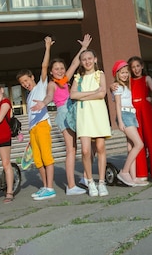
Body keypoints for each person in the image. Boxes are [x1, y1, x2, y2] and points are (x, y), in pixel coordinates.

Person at [31, 34, 91, 196]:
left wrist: (83, 47)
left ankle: (86, 177)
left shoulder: (65, 80)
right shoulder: (52, 84)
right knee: (71, 150)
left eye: (61, 68)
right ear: (51, 72)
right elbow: (50, 95)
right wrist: (43, 103)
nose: (60, 71)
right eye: (56, 69)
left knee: (82, 146)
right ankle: (71, 186)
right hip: (64, 114)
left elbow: (74, 63)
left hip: (74, 111)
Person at [16, 36, 56, 201]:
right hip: (33, 128)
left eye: (26, 80)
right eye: (22, 83)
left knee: (47, 157)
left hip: (42, 125)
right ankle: (44, 186)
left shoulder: (41, 85)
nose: (25, 84)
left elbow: (44, 66)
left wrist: (47, 47)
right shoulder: (30, 94)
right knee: (38, 161)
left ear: (32, 77)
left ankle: (50, 188)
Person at [70, 49, 112, 197]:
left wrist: (83, 97)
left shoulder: (99, 74)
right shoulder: (78, 78)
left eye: (89, 58)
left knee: (100, 147)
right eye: (84, 59)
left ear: (95, 59)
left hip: (98, 114)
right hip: (84, 116)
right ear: (81, 62)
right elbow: (72, 94)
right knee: (86, 150)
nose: (87, 61)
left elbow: (102, 93)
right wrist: (92, 93)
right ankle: (89, 181)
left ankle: (101, 182)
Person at [127, 56, 152, 183]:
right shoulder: (128, 81)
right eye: (133, 67)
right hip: (134, 112)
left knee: (151, 140)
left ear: (142, 66)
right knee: (138, 142)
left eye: (138, 66)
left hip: (146, 110)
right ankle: (141, 172)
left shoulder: (146, 78)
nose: (136, 69)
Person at [111, 60, 148, 187]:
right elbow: (117, 104)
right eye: (122, 73)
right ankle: (124, 172)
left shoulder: (125, 86)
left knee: (131, 147)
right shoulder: (117, 87)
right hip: (125, 115)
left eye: (126, 72)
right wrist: (120, 121)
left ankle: (133, 177)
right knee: (139, 144)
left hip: (131, 115)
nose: (125, 75)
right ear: (117, 74)